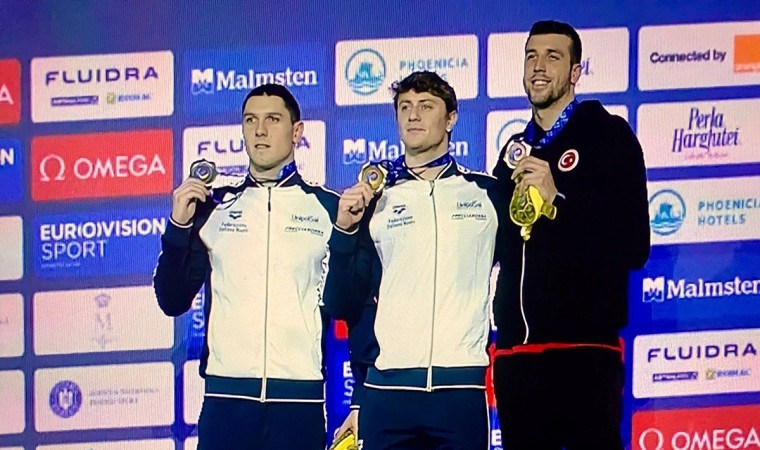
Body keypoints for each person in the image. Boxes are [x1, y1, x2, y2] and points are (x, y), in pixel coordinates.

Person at [153, 83, 341, 450]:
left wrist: (361, 398)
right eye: (251, 120)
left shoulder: (328, 209)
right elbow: (172, 300)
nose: (260, 131)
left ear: (297, 132)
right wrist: (177, 226)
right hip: (226, 403)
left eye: (273, 120)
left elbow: (354, 304)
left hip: (298, 402)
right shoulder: (213, 209)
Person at [323, 71, 505, 450]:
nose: (413, 115)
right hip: (388, 393)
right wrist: (344, 232)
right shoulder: (375, 200)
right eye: (405, 107)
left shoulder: (487, 194)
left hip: (460, 391)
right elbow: (344, 303)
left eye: (426, 106)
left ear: (451, 118)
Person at [491, 20, 651, 450]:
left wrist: (558, 199)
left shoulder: (607, 136)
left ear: (576, 71)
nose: (538, 67)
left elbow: (633, 245)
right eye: (531, 56)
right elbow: (497, 246)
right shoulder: (514, 150)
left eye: (553, 57)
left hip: (583, 354)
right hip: (516, 358)